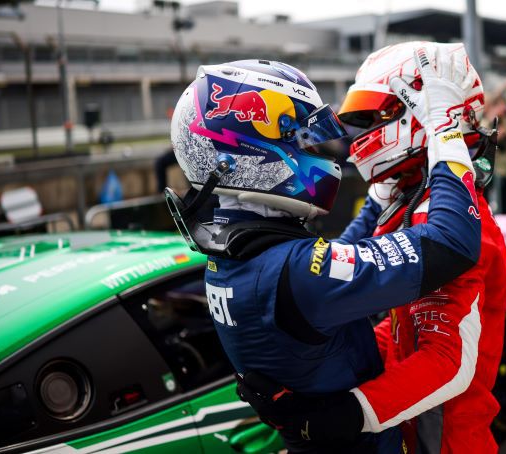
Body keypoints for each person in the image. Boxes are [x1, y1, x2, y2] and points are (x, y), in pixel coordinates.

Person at [166, 53, 483, 453]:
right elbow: (451, 242)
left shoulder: (232, 252)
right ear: (248, 153)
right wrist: (444, 128)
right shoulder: (293, 272)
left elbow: (337, 258)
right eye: (298, 138)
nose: (320, 151)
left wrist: (378, 195)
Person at [237, 42, 506, 453]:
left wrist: (349, 412)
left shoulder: (451, 217)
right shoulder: (410, 200)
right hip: (412, 426)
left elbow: (448, 361)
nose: (359, 133)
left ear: (422, 113)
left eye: (371, 115)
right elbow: (402, 325)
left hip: (449, 439)